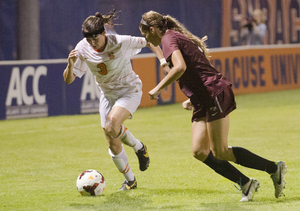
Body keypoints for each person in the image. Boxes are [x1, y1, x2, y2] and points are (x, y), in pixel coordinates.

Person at [139, 11, 287, 202]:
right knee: (200, 151)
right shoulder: (172, 38)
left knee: (221, 151)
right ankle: (246, 183)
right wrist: (192, 97)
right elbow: (194, 68)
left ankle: (274, 168)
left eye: (145, 34)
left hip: (213, 93)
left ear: (152, 29)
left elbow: (180, 67)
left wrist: (158, 88)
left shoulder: (168, 38)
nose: (146, 38)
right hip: (203, 97)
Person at [63, 10, 153, 191]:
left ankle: (138, 147)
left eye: (95, 39)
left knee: (111, 126)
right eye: (89, 40)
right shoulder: (83, 47)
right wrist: (71, 64)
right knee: (112, 140)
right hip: (107, 94)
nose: (92, 43)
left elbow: (151, 41)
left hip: (129, 90)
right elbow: (68, 79)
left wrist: (165, 61)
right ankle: (131, 181)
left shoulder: (119, 42)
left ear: (104, 34)